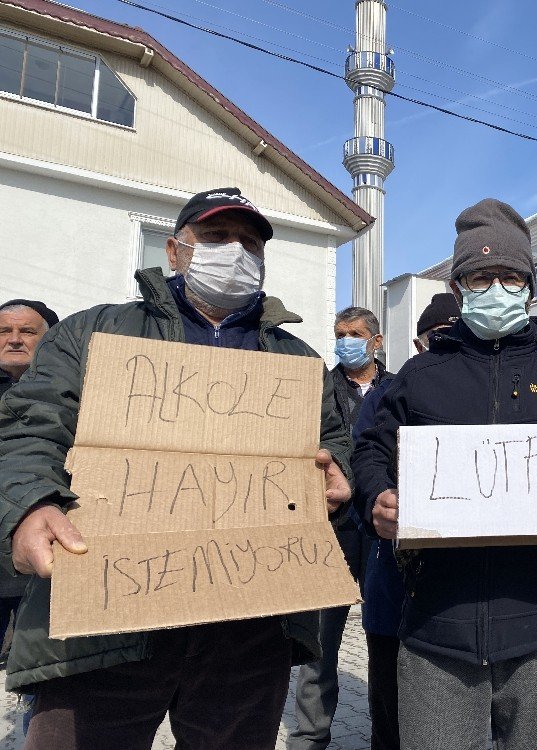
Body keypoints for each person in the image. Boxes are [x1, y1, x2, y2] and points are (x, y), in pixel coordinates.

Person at [0, 187, 353, 750]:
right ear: (174, 250)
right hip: (104, 620)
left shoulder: (297, 359)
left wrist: (338, 479)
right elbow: (30, 426)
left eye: (250, 243)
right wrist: (31, 505)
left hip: (249, 625)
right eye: (216, 237)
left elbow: (334, 443)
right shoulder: (95, 333)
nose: (235, 252)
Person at [352, 198, 537, 750]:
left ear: (529, 285)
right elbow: (371, 449)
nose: (496, 287)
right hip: (436, 632)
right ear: (459, 287)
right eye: (480, 276)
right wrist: (376, 496)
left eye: (510, 275)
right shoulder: (420, 376)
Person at [350, 292, 459, 750]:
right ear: (419, 344)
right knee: (390, 700)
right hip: (392, 570)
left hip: (459, 586)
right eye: (438, 336)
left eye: (456, 332)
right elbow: (363, 461)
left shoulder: (482, 394)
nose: (448, 342)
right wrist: (378, 499)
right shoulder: (388, 395)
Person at [288, 306, 390, 750]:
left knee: (384, 638)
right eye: (339, 334)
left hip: (381, 529)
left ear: (376, 341)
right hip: (332, 528)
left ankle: (387, 735)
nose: (345, 341)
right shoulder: (319, 388)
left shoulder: (397, 387)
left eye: (355, 334)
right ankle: (311, 736)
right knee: (320, 639)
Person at [0, 299, 59, 667]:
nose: (14, 339)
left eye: (27, 331)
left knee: (40, 667)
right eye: (4, 331)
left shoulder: (70, 394)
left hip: (44, 562)